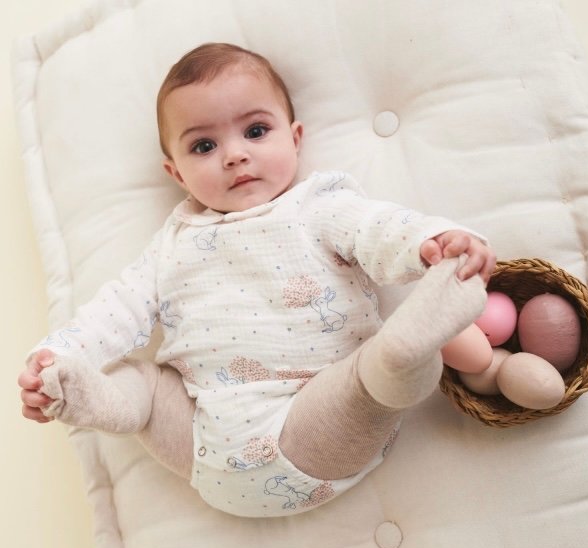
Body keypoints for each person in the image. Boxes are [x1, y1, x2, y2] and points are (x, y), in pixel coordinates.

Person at [19, 43, 496, 517]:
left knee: (371, 374)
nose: (234, 155)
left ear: (295, 138)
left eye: (255, 131)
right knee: (138, 381)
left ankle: (404, 354)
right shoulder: (171, 244)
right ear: (177, 173)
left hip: (314, 427)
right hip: (198, 443)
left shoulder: (318, 206)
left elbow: (377, 229)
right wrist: (60, 354)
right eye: (204, 146)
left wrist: (431, 240)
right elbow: (116, 309)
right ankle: (73, 391)